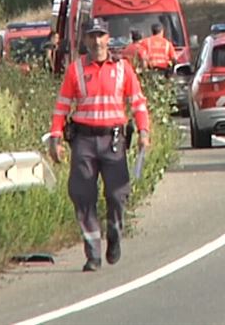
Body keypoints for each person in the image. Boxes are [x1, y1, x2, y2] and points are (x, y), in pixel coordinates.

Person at [48, 17, 151, 272]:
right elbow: (62, 106)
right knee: (82, 195)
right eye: (92, 36)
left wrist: (144, 132)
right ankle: (92, 253)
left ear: (108, 38)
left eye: (100, 35)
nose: (96, 41)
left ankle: (114, 231)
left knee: (117, 195)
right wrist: (55, 137)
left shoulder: (123, 68)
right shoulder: (76, 70)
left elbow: (137, 102)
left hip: (113, 139)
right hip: (83, 140)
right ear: (85, 40)